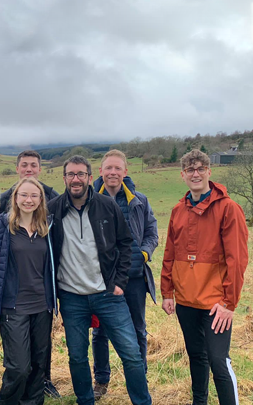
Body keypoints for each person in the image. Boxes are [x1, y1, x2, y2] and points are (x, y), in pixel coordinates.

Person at [48, 155, 152, 405]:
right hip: (72, 297)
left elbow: (126, 244)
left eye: (81, 174)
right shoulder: (52, 209)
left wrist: (119, 282)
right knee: (77, 357)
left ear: (89, 177)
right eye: (71, 174)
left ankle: (142, 401)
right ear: (64, 178)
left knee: (131, 354)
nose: (76, 179)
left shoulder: (107, 205)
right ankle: (85, 401)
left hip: (107, 294)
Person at [161, 149, 248, 405]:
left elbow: (237, 259)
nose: (195, 174)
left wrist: (229, 303)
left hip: (216, 304)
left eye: (200, 169)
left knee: (219, 361)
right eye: (190, 170)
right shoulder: (178, 210)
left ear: (209, 172)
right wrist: (167, 292)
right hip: (186, 300)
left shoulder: (228, 208)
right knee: (196, 356)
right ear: (183, 175)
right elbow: (170, 252)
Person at [0, 177, 57, 405]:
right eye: (24, 195)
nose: (29, 200)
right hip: (13, 306)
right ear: (15, 198)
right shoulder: (2, 226)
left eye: (34, 195)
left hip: (42, 306)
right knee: (18, 367)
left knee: (38, 364)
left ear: (41, 200)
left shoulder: (48, 226)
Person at [91, 150, 158, 399]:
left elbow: (152, 234)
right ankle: (101, 380)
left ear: (125, 172)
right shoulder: (89, 200)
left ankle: (140, 377)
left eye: (118, 168)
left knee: (138, 330)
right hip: (102, 279)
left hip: (134, 278)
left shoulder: (139, 200)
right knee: (100, 331)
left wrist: (143, 255)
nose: (112, 173)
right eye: (108, 168)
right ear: (101, 172)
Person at [0, 149, 60, 398]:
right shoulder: (4, 199)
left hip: (41, 296)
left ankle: (44, 383)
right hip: (13, 296)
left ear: (39, 169)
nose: (29, 169)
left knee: (40, 352)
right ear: (17, 168)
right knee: (19, 361)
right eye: (25, 165)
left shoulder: (52, 196)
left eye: (34, 165)